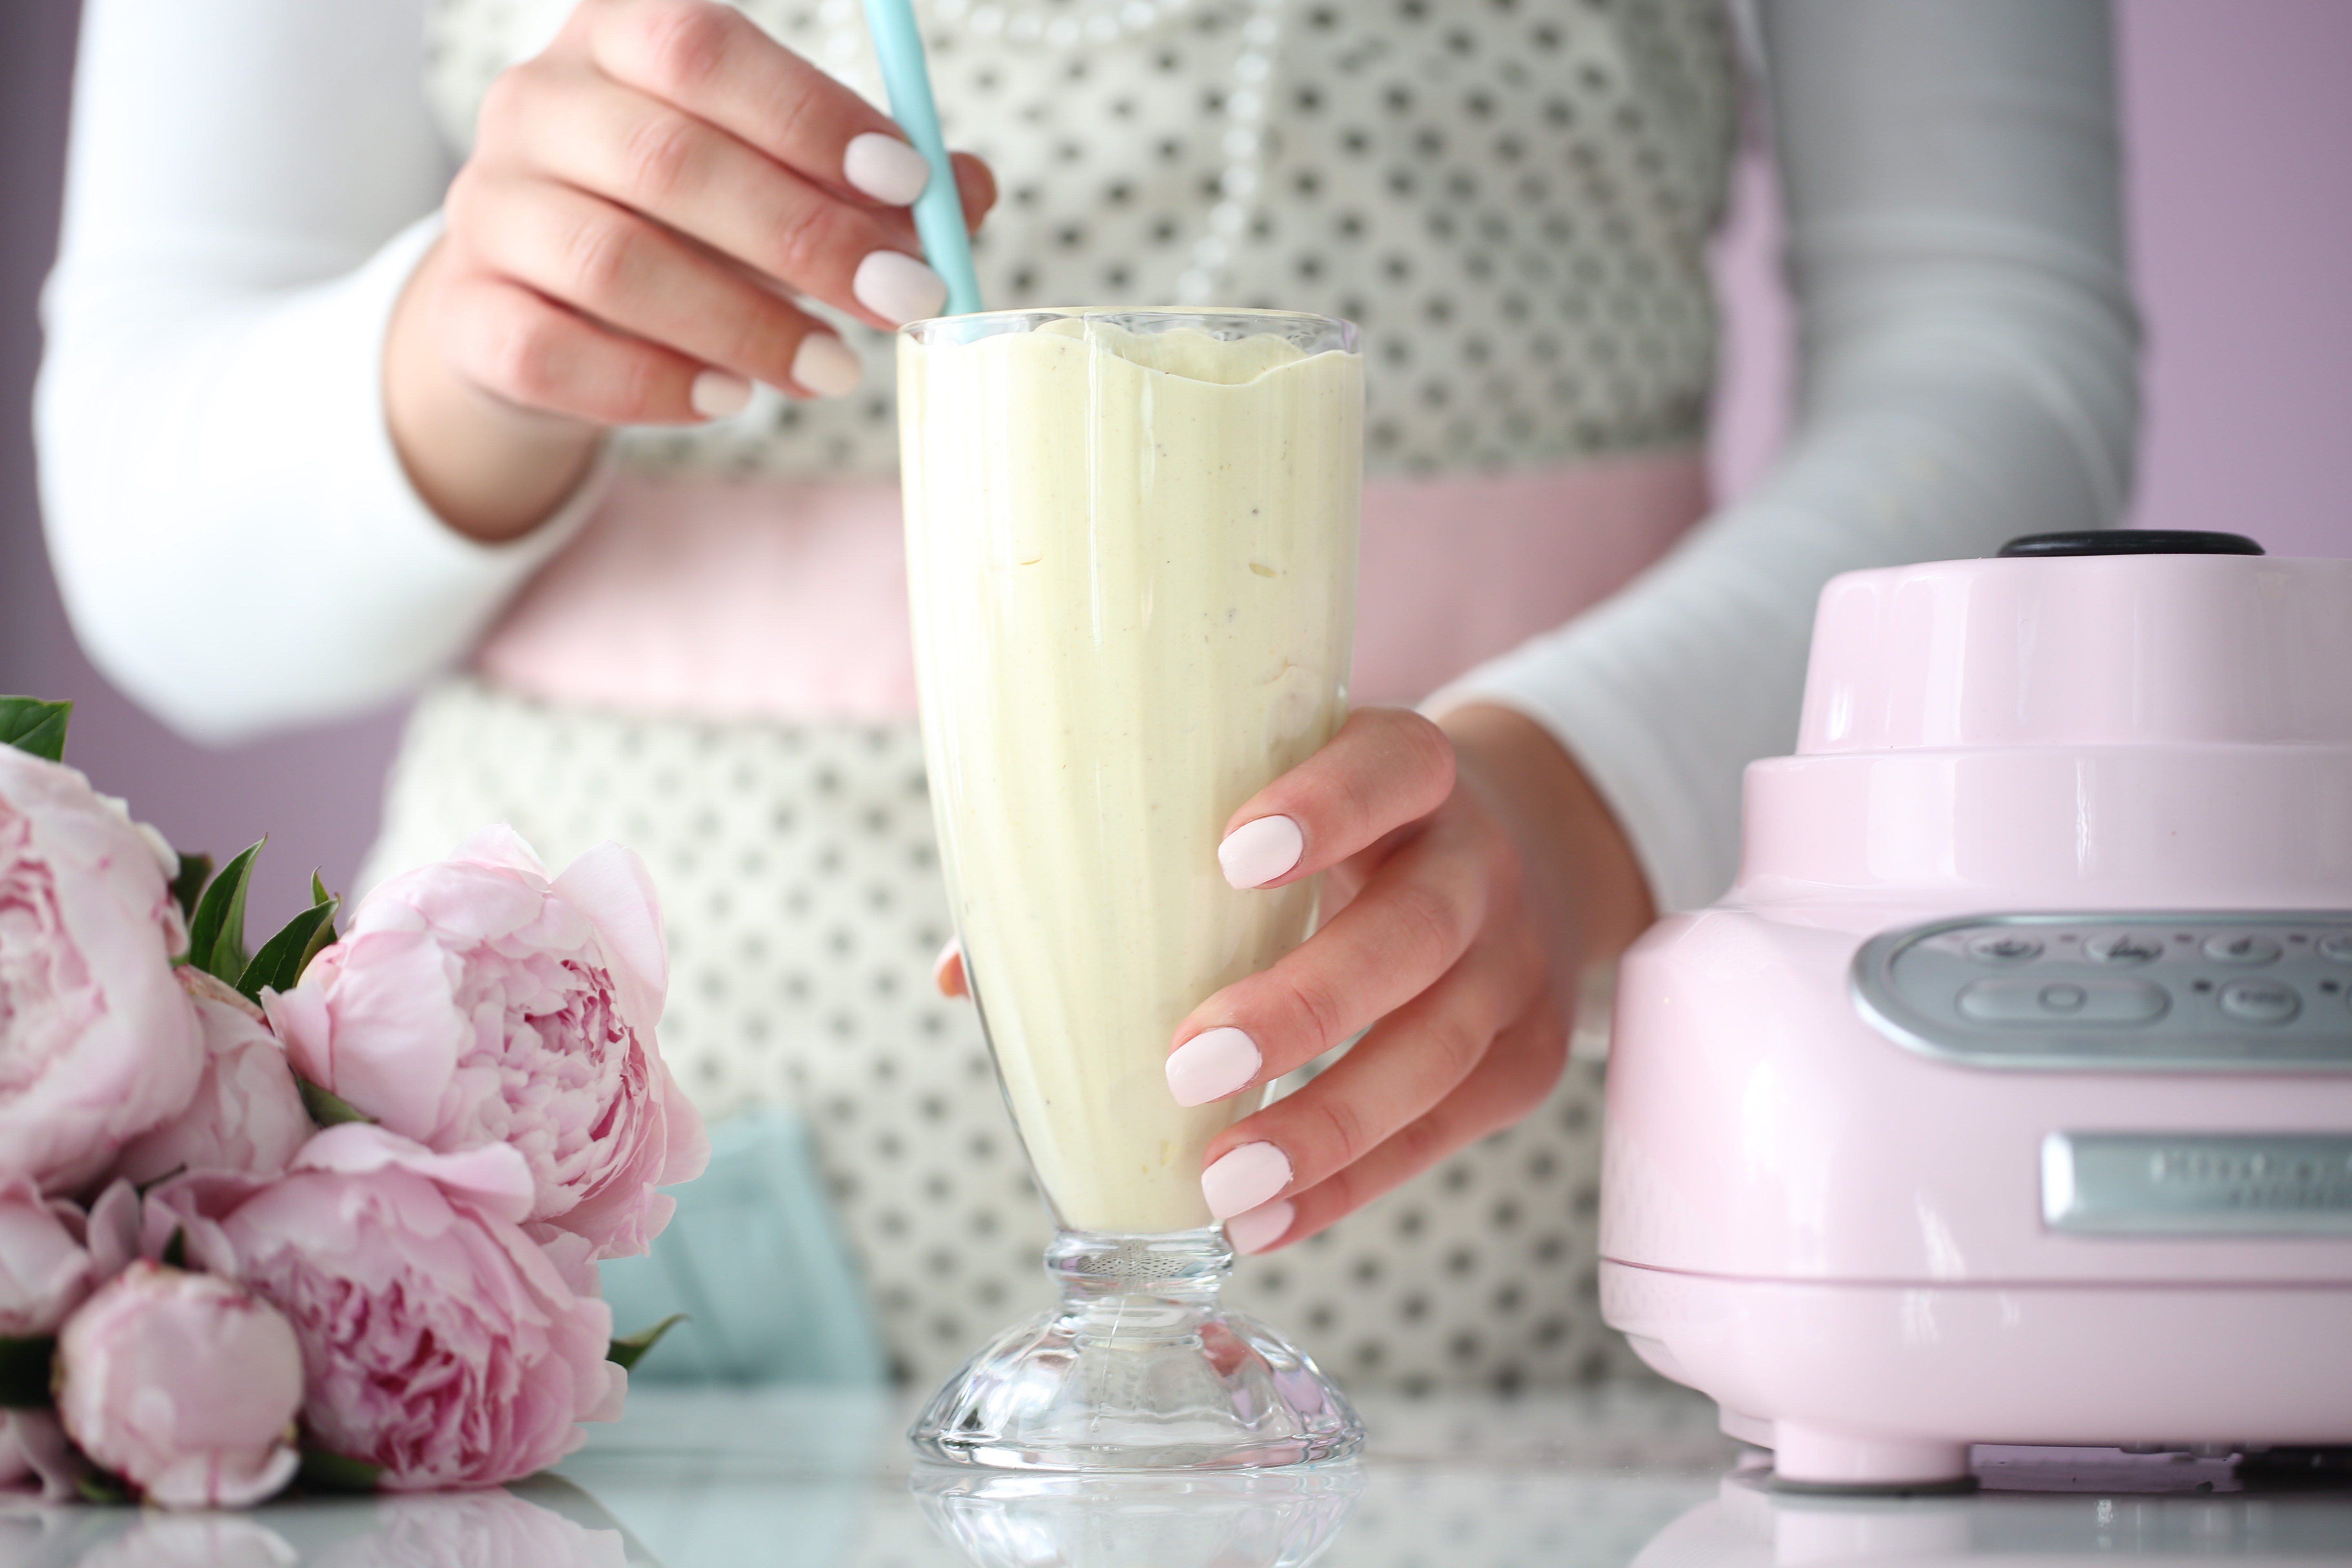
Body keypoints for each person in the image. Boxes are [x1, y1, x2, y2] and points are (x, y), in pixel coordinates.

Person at [37, 0, 2137, 1391]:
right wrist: (464, 344)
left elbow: (1999, 353)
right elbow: (152, 544)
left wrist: (1595, 799)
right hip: (583, 1261)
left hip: (1483, 1222)